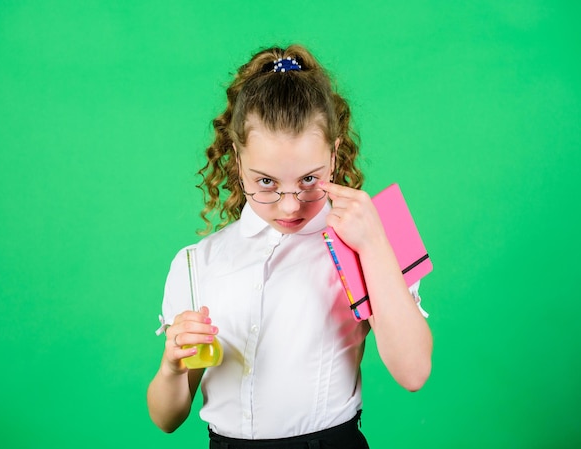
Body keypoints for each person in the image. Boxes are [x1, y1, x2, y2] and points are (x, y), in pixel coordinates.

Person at [147, 44, 433, 449]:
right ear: (237, 159)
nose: (289, 204)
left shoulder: (377, 236)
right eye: (266, 182)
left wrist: (373, 247)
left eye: (309, 180)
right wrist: (172, 368)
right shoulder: (197, 263)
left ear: (333, 156)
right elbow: (166, 418)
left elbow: (414, 372)